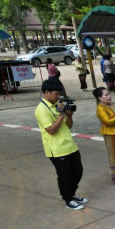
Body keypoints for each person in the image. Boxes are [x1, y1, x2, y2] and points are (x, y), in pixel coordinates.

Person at [35, 79, 87, 210]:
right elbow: (51, 130)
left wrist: (69, 116)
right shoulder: (41, 109)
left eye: (59, 94)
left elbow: (68, 126)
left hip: (70, 145)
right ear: (47, 92)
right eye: (56, 94)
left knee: (78, 171)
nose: (58, 97)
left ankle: (72, 193)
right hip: (56, 148)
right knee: (65, 176)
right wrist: (61, 115)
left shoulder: (57, 105)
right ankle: (68, 199)